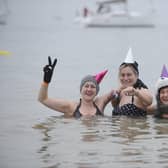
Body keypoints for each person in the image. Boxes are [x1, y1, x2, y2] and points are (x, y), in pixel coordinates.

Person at [38, 56, 115, 118]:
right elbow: (43, 99)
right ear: (81, 89)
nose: (89, 89)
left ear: (97, 92)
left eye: (92, 87)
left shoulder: (100, 104)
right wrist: (46, 82)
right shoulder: (71, 107)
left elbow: (116, 91)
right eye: (86, 86)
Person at [111, 48, 153, 117]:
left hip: (135, 127)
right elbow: (114, 105)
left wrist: (136, 93)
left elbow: (150, 101)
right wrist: (117, 92)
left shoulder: (141, 90)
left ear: (136, 76)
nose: (125, 78)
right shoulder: (121, 92)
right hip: (117, 128)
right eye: (122, 75)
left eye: (129, 75)